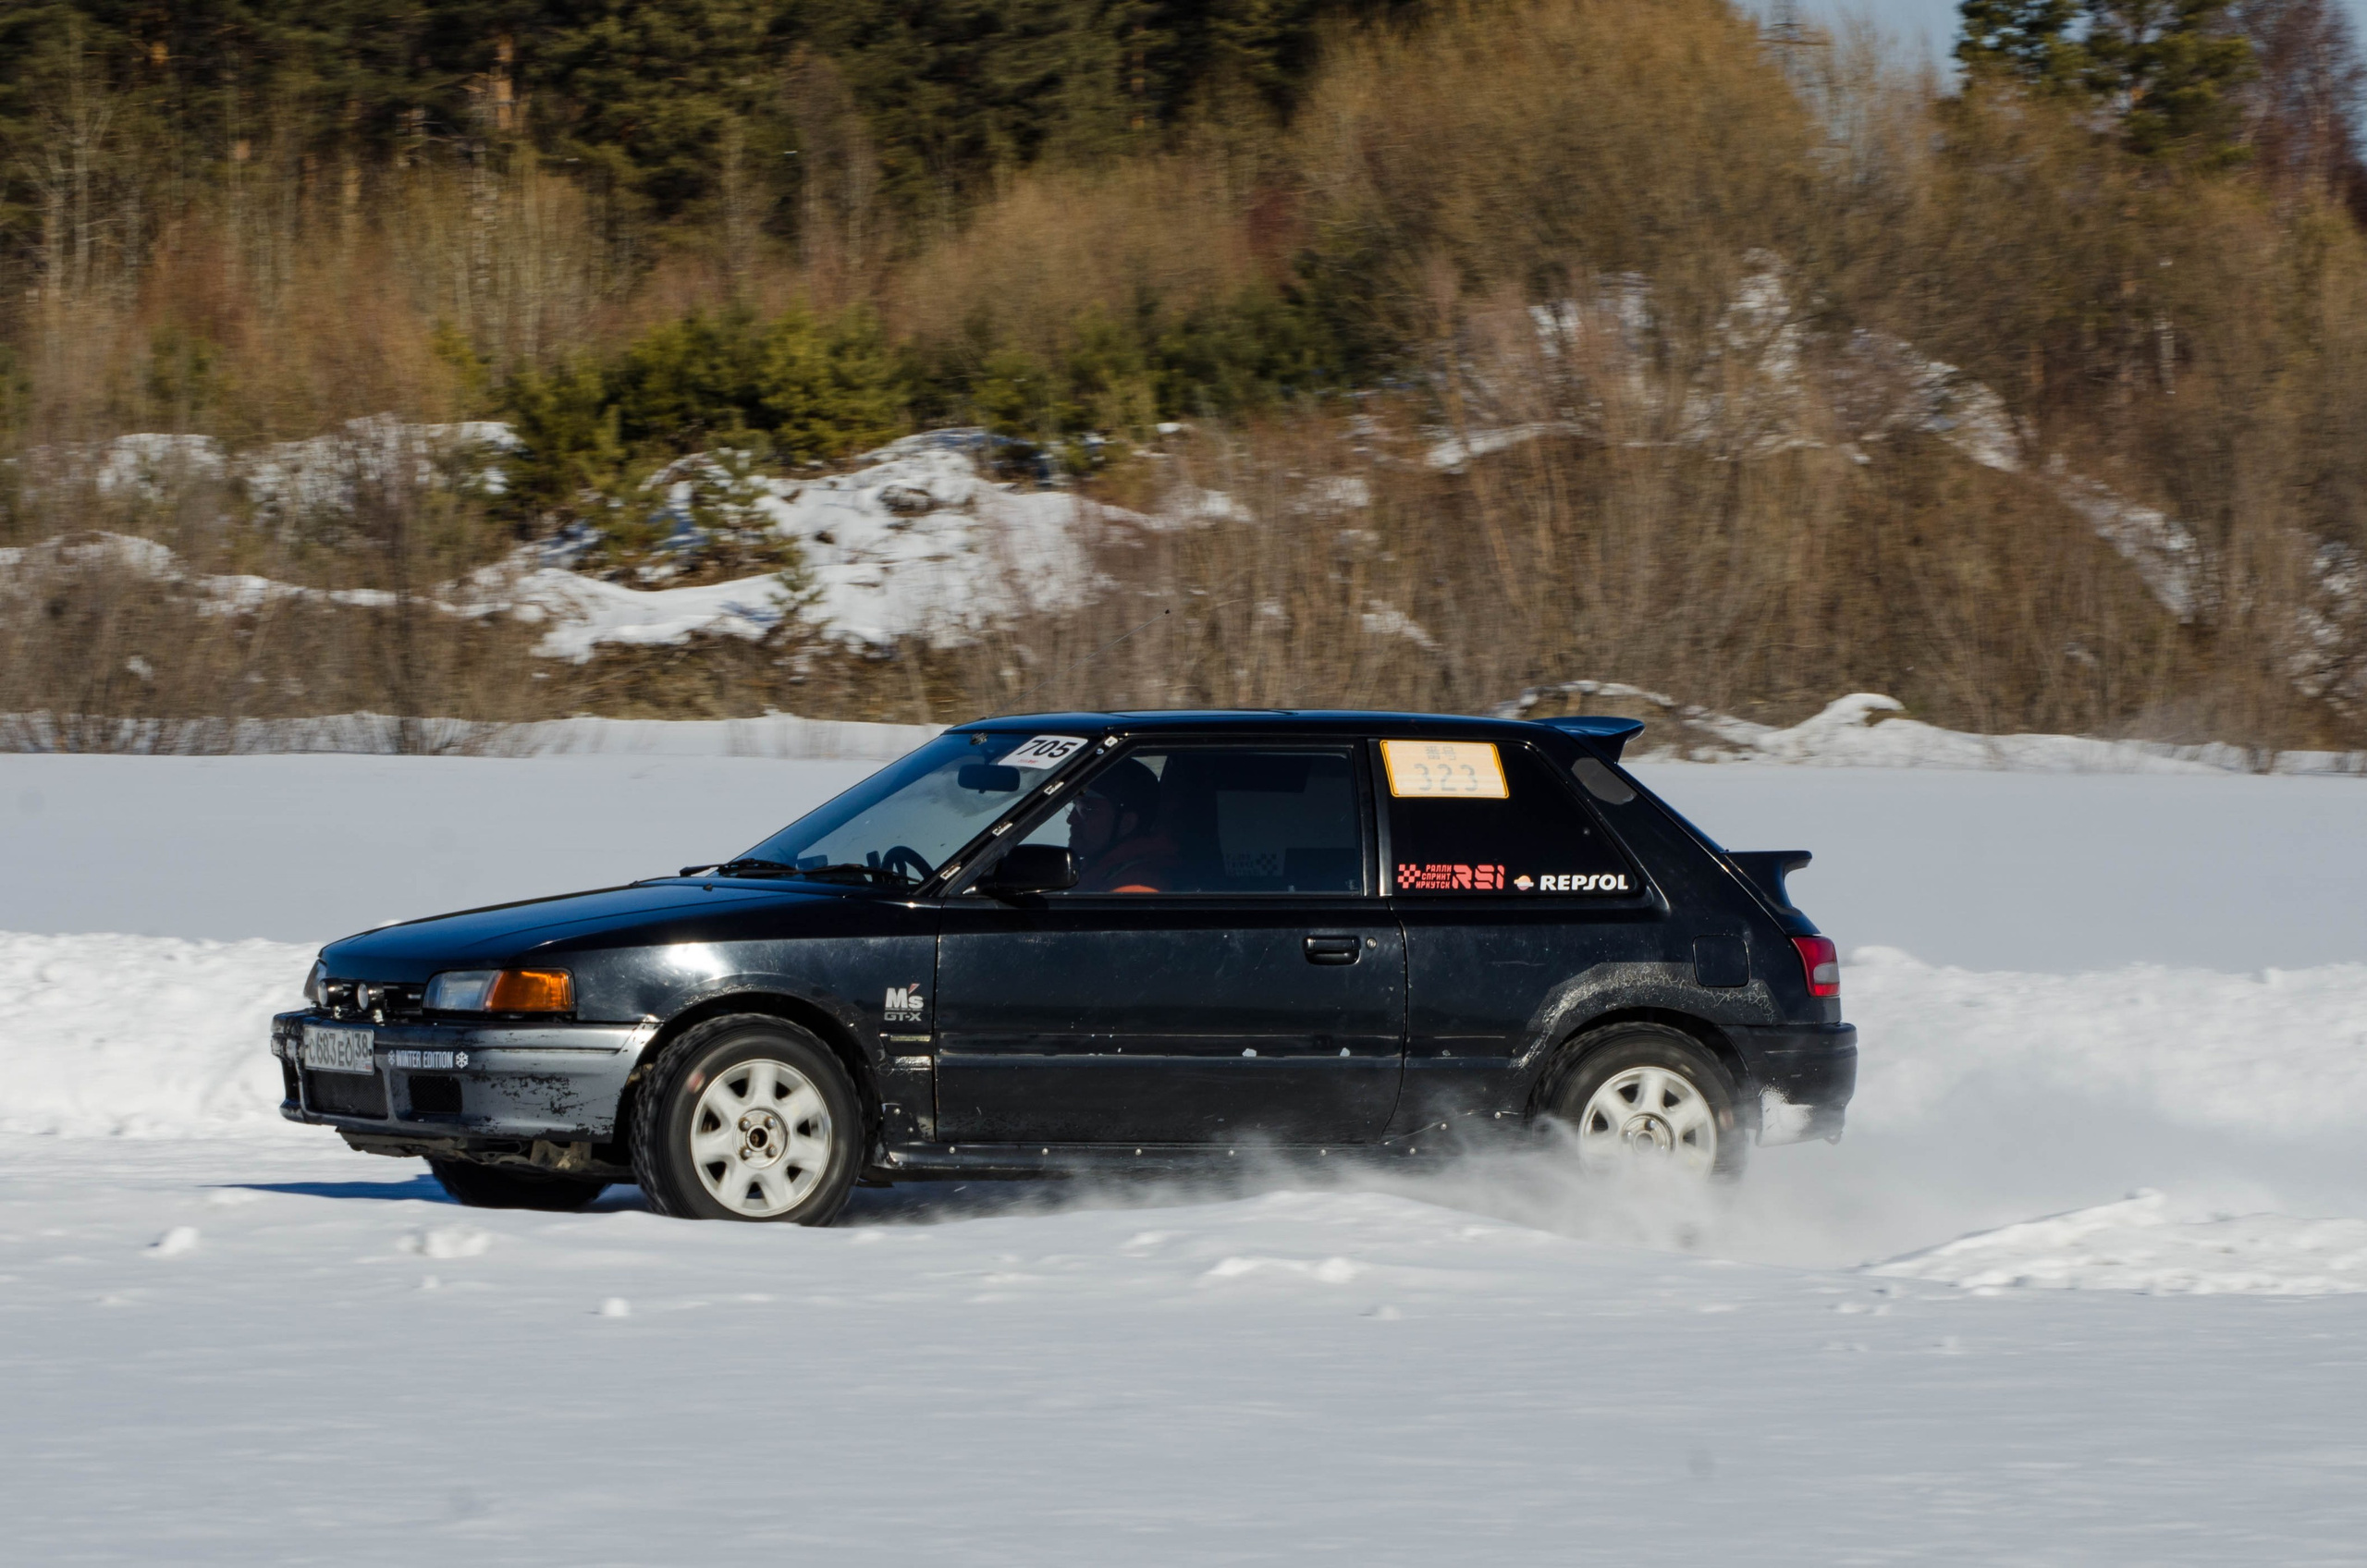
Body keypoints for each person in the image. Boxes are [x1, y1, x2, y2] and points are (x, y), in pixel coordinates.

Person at [1068, 758, 1181, 893]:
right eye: (1076, 806)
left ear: (1127, 823)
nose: (1071, 819)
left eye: (1086, 809)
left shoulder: (1134, 887)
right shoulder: (1107, 869)